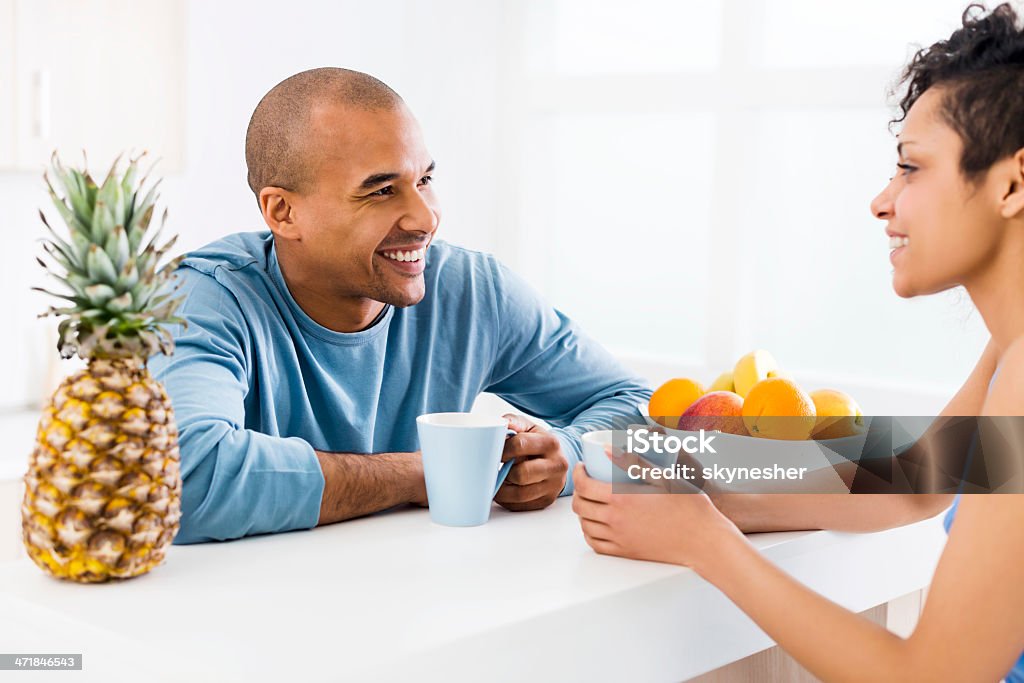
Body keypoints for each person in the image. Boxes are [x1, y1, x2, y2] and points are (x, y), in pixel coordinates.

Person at [572, 3, 1024, 680]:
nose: (882, 200)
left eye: (911, 167)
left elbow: (932, 674)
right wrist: (711, 481)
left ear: (1012, 182)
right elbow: (917, 475)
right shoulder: (1009, 350)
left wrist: (706, 543)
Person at [149, 68, 651, 544]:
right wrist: (424, 474)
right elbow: (181, 475)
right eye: (382, 190)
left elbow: (642, 410)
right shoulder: (203, 298)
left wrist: (562, 454)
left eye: (425, 180)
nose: (424, 218)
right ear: (283, 211)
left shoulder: (472, 290)